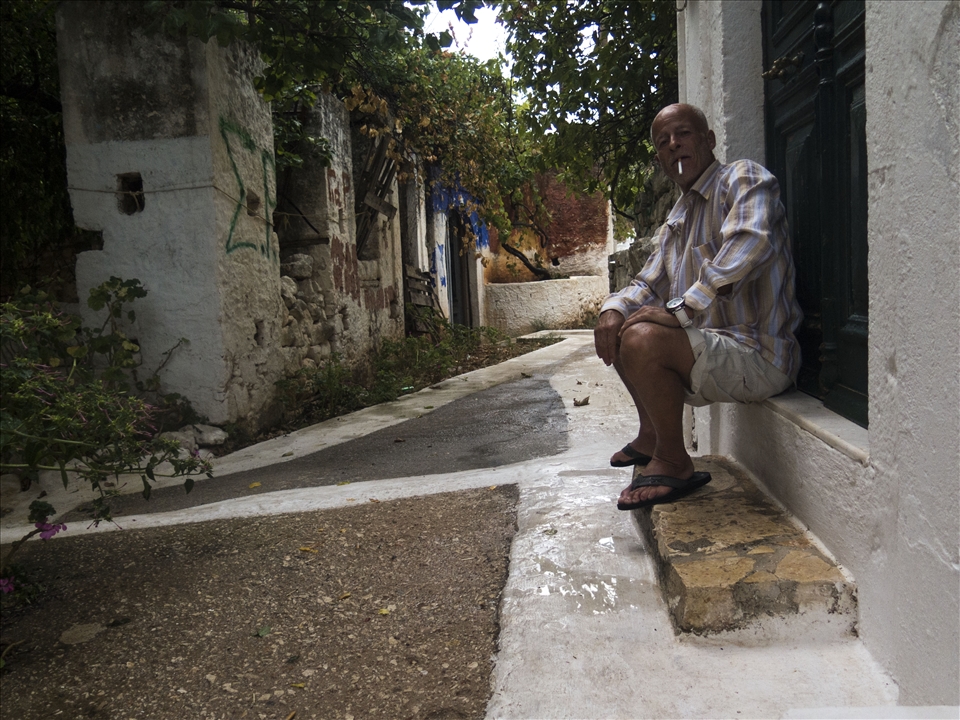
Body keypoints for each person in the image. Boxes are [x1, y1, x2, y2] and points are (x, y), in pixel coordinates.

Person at [595, 103, 802, 511]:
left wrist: (681, 309)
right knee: (619, 327)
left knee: (643, 338)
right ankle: (652, 436)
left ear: (708, 140)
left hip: (759, 352)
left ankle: (674, 461)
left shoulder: (741, 178)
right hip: (713, 346)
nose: (673, 145)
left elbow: (750, 244)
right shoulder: (680, 217)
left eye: (682, 134)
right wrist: (612, 309)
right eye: (662, 142)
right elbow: (646, 282)